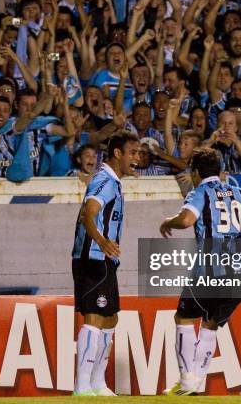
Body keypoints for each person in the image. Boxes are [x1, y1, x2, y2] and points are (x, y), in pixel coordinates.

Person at [159, 147, 241, 396]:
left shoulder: (200, 191)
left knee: (184, 319)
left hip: (211, 269)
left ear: (196, 172)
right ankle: (194, 384)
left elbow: (187, 219)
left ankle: (187, 381)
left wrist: (168, 221)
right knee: (211, 324)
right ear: (219, 171)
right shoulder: (237, 191)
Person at [71, 133, 140, 396]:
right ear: (118, 154)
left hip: (105, 260)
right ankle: (82, 386)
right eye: (132, 152)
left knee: (110, 318)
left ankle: (98, 383)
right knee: (95, 317)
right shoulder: (105, 180)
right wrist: (101, 241)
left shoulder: (114, 182)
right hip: (93, 258)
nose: (136, 158)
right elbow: (88, 212)